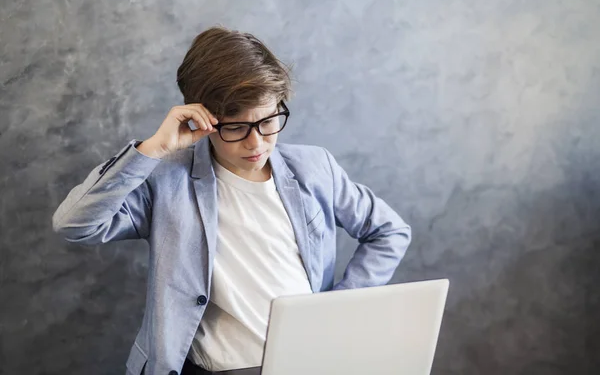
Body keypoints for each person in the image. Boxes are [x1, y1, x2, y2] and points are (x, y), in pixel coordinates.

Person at [52, 26, 412, 375]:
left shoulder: (314, 167)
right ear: (203, 119)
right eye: (236, 127)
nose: (256, 143)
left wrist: (341, 303)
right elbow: (76, 224)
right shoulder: (164, 178)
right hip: (206, 368)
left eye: (268, 121)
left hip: (306, 362)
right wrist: (151, 150)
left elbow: (389, 231)